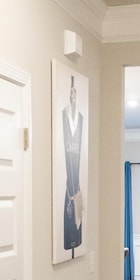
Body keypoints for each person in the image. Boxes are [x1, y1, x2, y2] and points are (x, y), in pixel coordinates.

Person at [62, 75, 84, 253]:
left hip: (76, 187)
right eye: (71, 95)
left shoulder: (82, 119)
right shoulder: (63, 116)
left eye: (75, 95)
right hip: (70, 188)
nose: (73, 99)